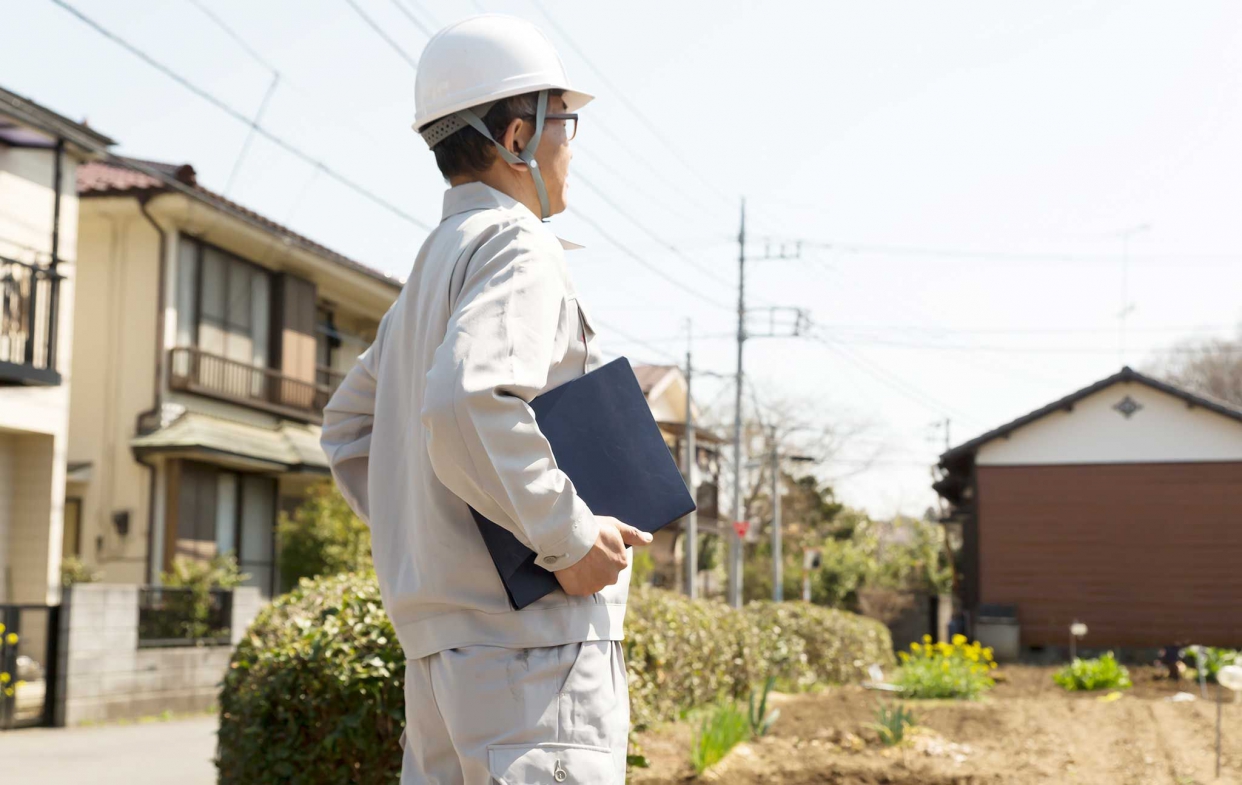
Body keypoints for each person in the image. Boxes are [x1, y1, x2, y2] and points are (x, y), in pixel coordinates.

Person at [321, 14, 649, 785]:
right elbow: (469, 400)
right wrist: (568, 538)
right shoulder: (518, 243)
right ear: (516, 136)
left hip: (444, 659)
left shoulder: (429, 270)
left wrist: (436, 536)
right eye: (563, 121)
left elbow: (349, 429)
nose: (571, 145)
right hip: (531, 656)